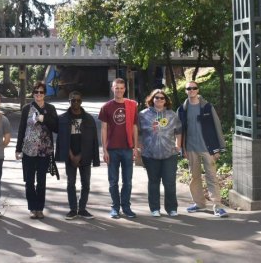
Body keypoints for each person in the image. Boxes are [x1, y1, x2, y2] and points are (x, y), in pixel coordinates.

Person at [177, 81, 228, 217]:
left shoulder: (207, 107)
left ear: (198, 90)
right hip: (191, 148)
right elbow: (179, 130)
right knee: (194, 177)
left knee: (211, 176)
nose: (192, 90)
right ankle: (199, 203)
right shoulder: (182, 109)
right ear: (186, 91)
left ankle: (217, 206)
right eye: (189, 88)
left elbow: (217, 127)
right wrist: (182, 148)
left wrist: (218, 148)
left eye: (194, 88)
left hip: (208, 148)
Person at [16, 82, 58, 219]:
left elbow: (56, 127)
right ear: (33, 93)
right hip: (28, 149)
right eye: (36, 92)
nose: (38, 94)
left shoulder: (50, 108)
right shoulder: (26, 108)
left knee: (41, 180)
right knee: (29, 180)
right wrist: (18, 149)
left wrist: (44, 119)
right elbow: (21, 129)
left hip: (44, 150)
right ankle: (32, 207)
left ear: (44, 93)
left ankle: (39, 208)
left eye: (41, 92)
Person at [56, 91, 100, 220]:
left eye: (78, 100)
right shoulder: (63, 118)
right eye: (72, 100)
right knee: (71, 183)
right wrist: (71, 155)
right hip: (70, 157)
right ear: (69, 101)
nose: (75, 102)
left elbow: (92, 140)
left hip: (85, 156)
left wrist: (80, 155)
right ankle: (73, 209)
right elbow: (62, 140)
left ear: (81, 101)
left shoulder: (89, 118)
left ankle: (82, 209)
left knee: (85, 183)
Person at [98, 78, 139, 219]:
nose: (119, 90)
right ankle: (115, 207)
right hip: (112, 149)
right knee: (113, 181)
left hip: (127, 148)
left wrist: (135, 146)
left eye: (121, 88)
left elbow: (134, 127)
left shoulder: (132, 105)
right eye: (117, 88)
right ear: (112, 89)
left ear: (125, 89)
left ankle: (126, 207)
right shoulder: (106, 107)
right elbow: (103, 129)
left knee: (127, 180)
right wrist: (104, 150)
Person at [138, 89, 182, 217]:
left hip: (169, 153)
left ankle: (172, 208)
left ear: (166, 100)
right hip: (150, 154)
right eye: (156, 97)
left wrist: (178, 145)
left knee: (169, 182)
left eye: (162, 98)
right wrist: (139, 146)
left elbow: (179, 130)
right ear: (152, 99)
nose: (159, 100)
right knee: (153, 182)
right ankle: (154, 209)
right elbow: (138, 132)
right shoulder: (143, 114)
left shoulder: (172, 115)